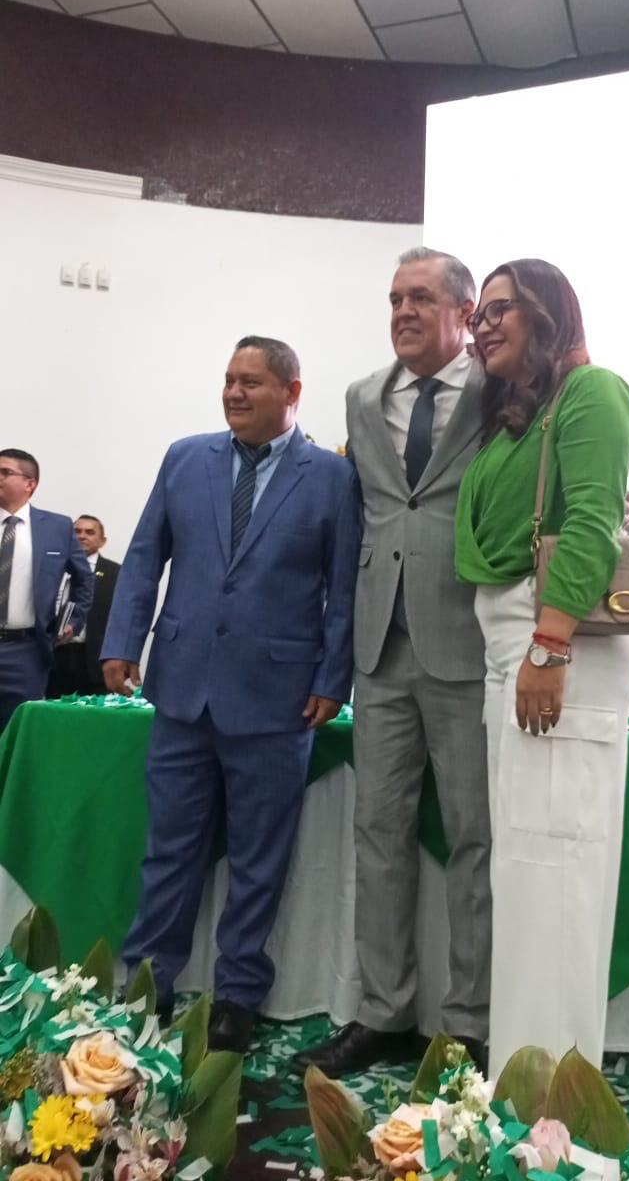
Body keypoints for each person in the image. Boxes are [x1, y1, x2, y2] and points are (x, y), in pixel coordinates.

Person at [101, 336, 362, 1052]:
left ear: (292, 392)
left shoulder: (333, 478)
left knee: (258, 860)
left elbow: (344, 588)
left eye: (251, 381)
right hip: (182, 691)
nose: (234, 393)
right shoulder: (185, 458)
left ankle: (238, 996)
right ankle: (148, 982)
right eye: (228, 380)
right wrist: (121, 641)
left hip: (279, 701)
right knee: (169, 850)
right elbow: (145, 556)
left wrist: (331, 678)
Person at [294, 247, 491, 1077]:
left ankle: (470, 1023)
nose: (403, 312)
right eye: (394, 299)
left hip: (470, 641)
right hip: (380, 646)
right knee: (378, 833)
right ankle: (382, 1012)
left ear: (464, 312)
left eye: (420, 298)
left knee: (476, 837)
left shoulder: (501, 390)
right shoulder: (361, 396)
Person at [454, 259, 629, 1074]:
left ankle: (554, 1102)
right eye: (480, 314)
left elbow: (594, 522)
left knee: (557, 873)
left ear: (548, 311)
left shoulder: (592, 392)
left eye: (502, 308)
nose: (483, 324)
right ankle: (523, 1087)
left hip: (558, 649)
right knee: (527, 873)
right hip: (517, 647)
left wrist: (550, 642)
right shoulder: (519, 416)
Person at [0, 448, 94, 733]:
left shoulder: (57, 527)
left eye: (4, 472)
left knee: (19, 733)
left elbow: (84, 579)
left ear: (30, 483)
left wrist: (73, 620)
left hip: (26, 650)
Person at [47, 515, 120, 697]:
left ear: (102, 541)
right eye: (77, 531)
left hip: (94, 661)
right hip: (54, 657)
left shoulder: (116, 572)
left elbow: (122, 618)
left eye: (90, 532)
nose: (82, 536)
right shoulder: (51, 568)